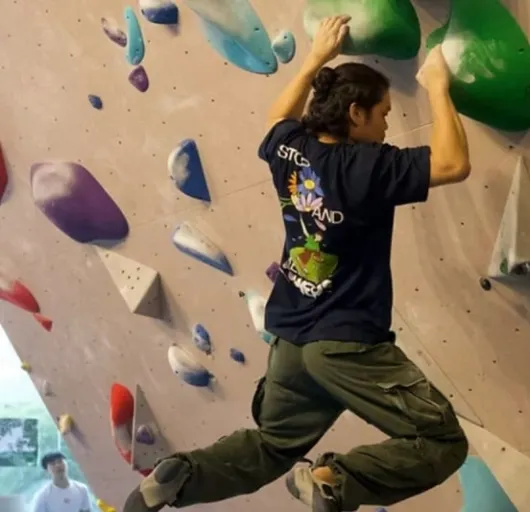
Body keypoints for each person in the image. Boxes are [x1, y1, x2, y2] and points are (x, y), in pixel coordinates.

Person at [123, 14, 472, 512]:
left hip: (291, 336)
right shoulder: (368, 166)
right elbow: (454, 164)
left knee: (272, 446)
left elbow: (275, 119)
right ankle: (334, 482)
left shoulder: (292, 151)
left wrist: (314, 58)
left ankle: (179, 479)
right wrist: (438, 86)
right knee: (441, 441)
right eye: (384, 113)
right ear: (356, 114)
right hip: (346, 342)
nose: (388, 123)